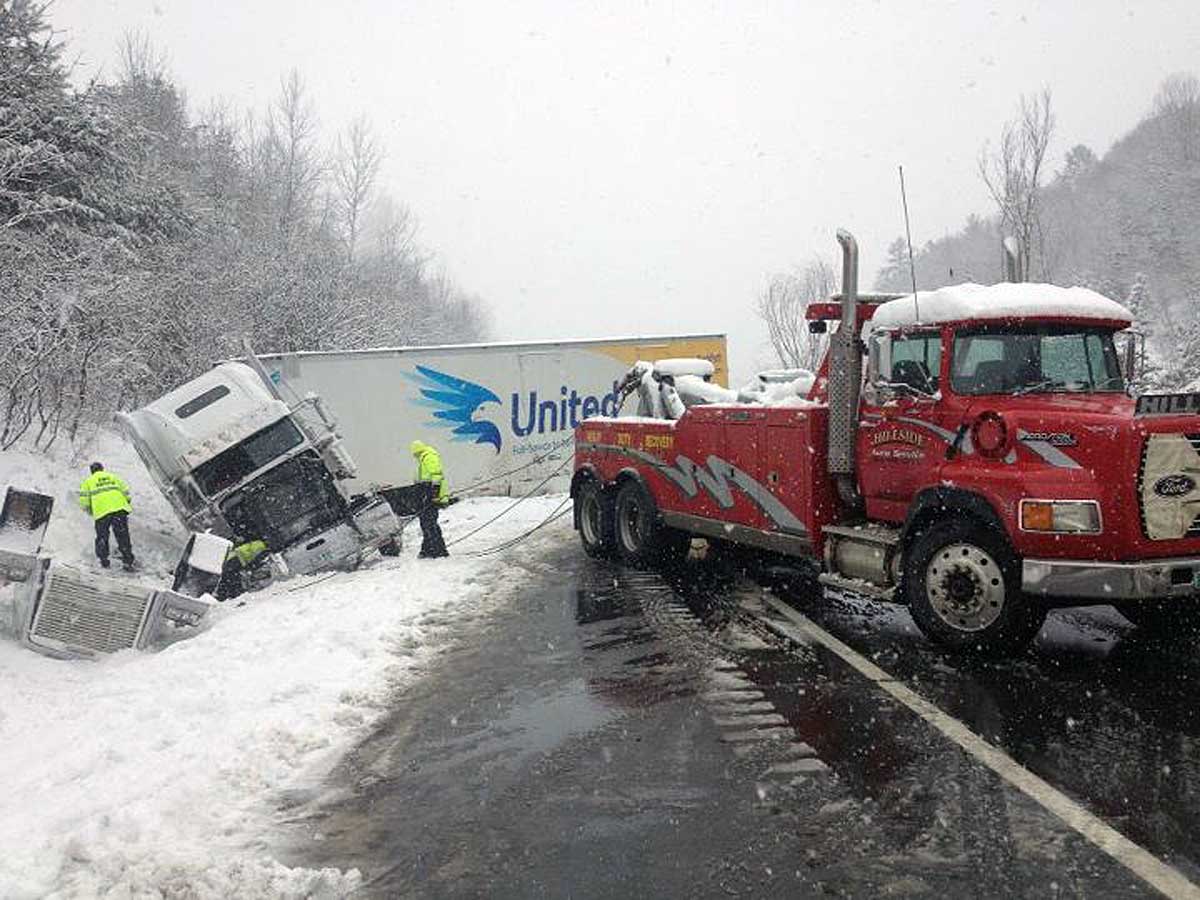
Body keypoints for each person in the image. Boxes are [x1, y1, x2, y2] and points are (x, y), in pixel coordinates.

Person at [78, 462, 135, 570]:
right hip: (119, 509)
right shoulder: (113, 477)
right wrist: (125, 503)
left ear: (92, 471)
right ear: (102, 469)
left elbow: (84, 503)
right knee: (122, 535)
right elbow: (126, 493)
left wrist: (90, 511)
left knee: (102, 537)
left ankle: (104, 561)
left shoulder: (88, 482)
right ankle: (127, 561)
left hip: (102, 512)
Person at [409, 440, 449, 558]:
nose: (415, 456)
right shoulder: (424, 458)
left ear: (418, 451)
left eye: (416, 454)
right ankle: (432, 549)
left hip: (432, 495)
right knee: (428, 523)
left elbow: (436, 476)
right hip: (428, 494)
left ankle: (435, 550)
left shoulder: (429, 457)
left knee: (429, 524)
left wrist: (434, 494)